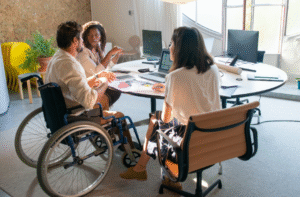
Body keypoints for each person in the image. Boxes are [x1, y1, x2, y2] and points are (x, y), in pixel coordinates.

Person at [120, 27, 221, 188]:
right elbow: (201, 92)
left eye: (171, 43)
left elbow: (166, 119)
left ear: (180, 48)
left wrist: (170, 87)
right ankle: (142, 168)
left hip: (190, 136)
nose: (169, 47)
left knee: (156, 122)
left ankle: (169, 176)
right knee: (156, 119)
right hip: (213, 132)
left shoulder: (175, 77)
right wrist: (170, 88)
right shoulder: (213, 68)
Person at [45, 21, 121, 124]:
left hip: (59, 112)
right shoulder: (71, 65)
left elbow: (75, 83)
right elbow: (89, 102)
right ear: (75, 41)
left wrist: (97, 76)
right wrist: (104, 82)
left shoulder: (57, 57)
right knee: (119, 116)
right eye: (81, 38)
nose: (82, 41)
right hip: (76, 116)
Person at [77, 21, 123, 110]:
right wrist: (109, 54)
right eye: (90, 35)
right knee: (114, 89)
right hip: (89, 87)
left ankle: (104, 112)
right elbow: (97, 72)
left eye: (96, 35)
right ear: (85, 37)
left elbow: (107, 67)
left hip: (97, 83)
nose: (94, 38)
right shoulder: (83, 53)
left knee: (117, 86)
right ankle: (102, 114)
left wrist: (117, 56)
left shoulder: (97, 49)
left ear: (101, 36)